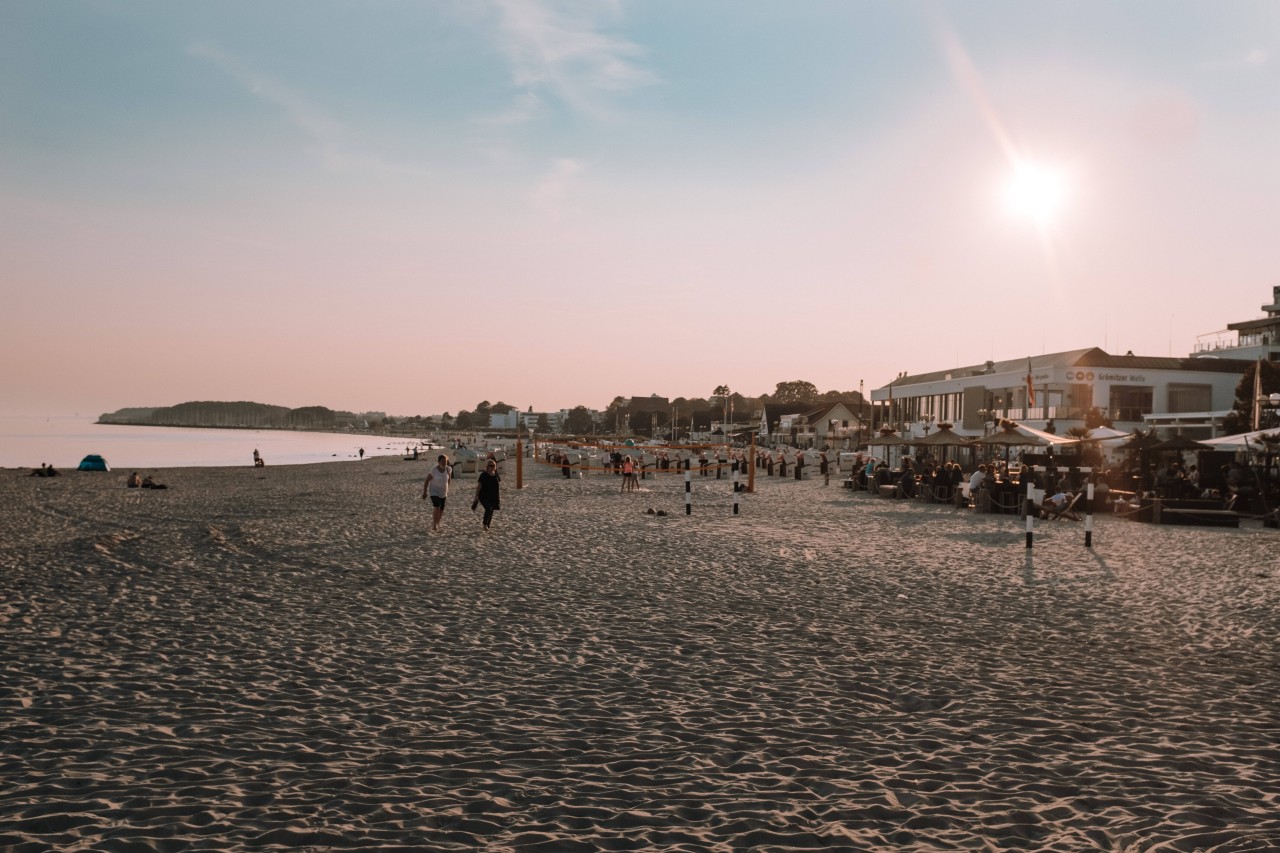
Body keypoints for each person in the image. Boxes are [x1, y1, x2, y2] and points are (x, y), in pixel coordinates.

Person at [421, 455, 452, 531]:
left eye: (445, 461)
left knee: (441, 509)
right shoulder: (434, 470)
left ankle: (438, 521)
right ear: (438, 462)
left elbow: (449, 479)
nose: (444, 463)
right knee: (437, 506)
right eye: (442, 461)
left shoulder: (448, 469)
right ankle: (434, 524)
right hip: (434, 491)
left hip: (443, 492)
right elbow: (427, 481)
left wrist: (448, 488)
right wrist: (425, 492)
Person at [471, 458, 501, 531]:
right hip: (483, 496)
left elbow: (498, 486)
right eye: (490, 466)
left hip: (493, 496)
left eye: (493, 465)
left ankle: (488, 525)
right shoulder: (483, 475)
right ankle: (484, 524)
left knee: (492, 510)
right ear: (487, 466)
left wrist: (499, 496)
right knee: (488, 508)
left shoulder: (496, 474)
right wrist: (476, 496)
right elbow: (479, 486)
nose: (492, 467)